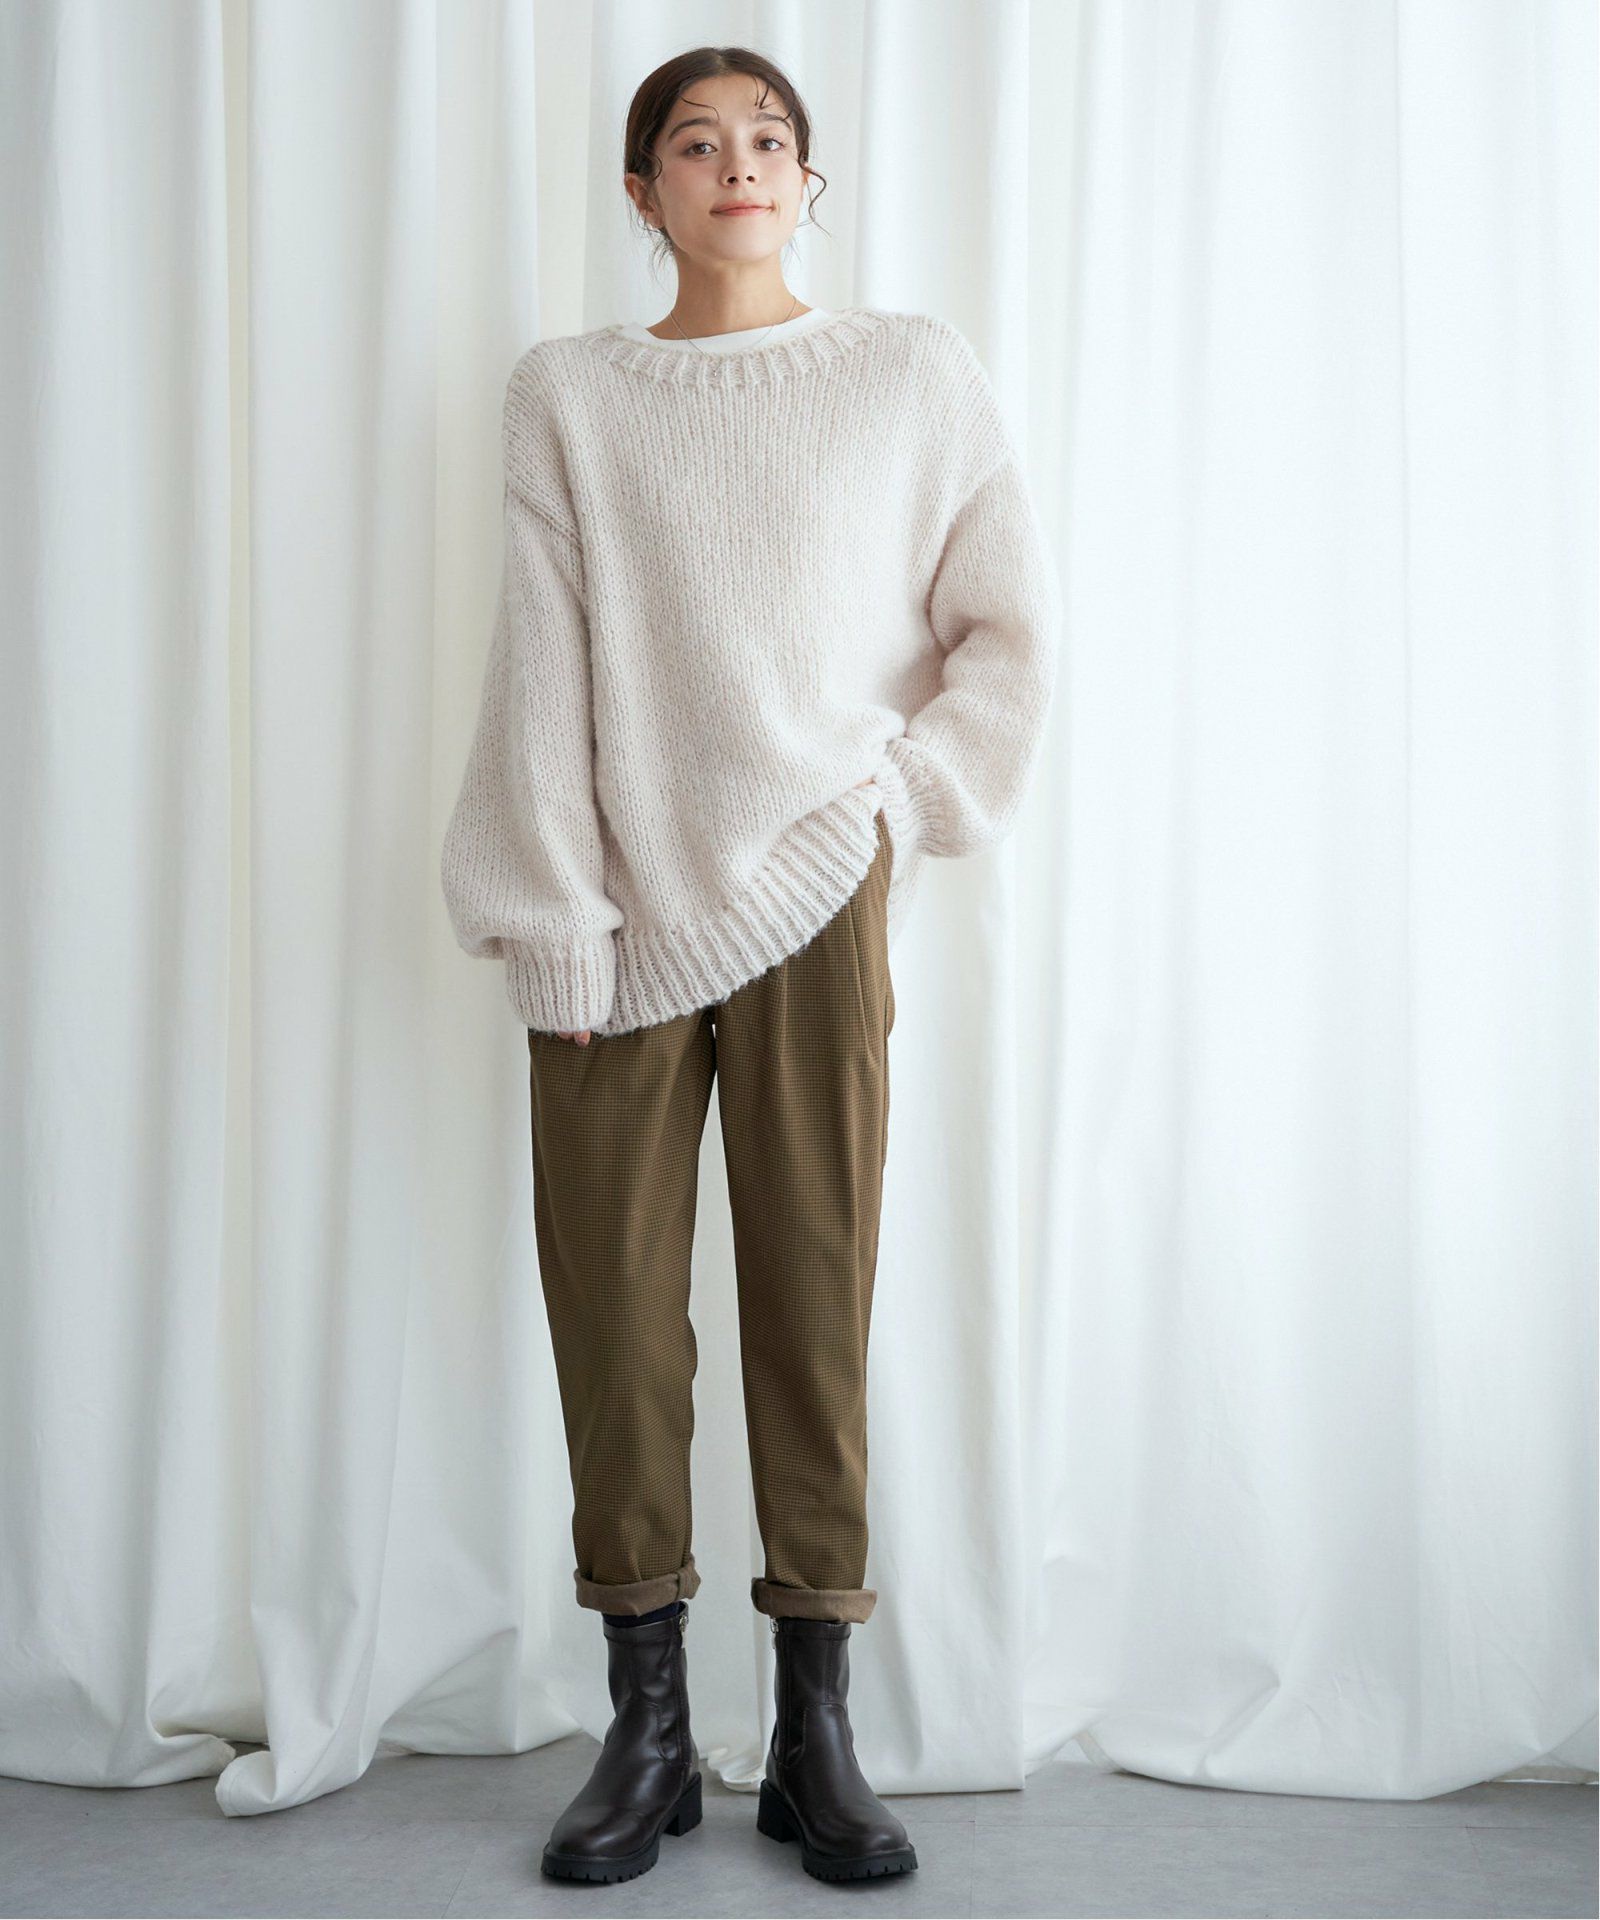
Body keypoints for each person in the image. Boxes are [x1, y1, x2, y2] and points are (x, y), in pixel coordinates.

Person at [439, 43, 1058, 1890]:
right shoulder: (570, 394)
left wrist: (904, 803)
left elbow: (1006, 626)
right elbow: (543, 664)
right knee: (615, 1326)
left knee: (814, 1300)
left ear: (808, 177)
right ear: (641, 191)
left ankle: (813, 1734)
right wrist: (550, 909)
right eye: (696, 144)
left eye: (769, 139)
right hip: (613, 918)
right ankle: (643, 1736)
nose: (739, 166)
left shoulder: (908, 373)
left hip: (815, 892)